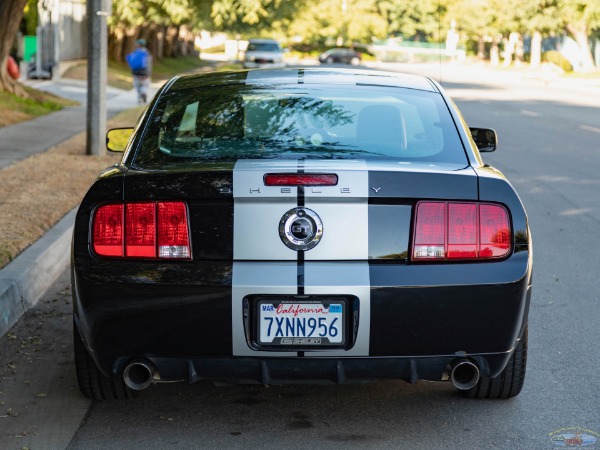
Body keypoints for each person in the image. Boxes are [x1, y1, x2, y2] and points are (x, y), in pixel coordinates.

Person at [126, 39, 152, 104]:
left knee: (137, 86)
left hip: (136, 73)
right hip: (144, 73)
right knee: (145, 85)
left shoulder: (134, 52)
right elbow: (149, 64)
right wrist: (149, 73)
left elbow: (131, 62)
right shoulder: (147, 53)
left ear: (138, 45)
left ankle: (139, 99)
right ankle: (144, 93)